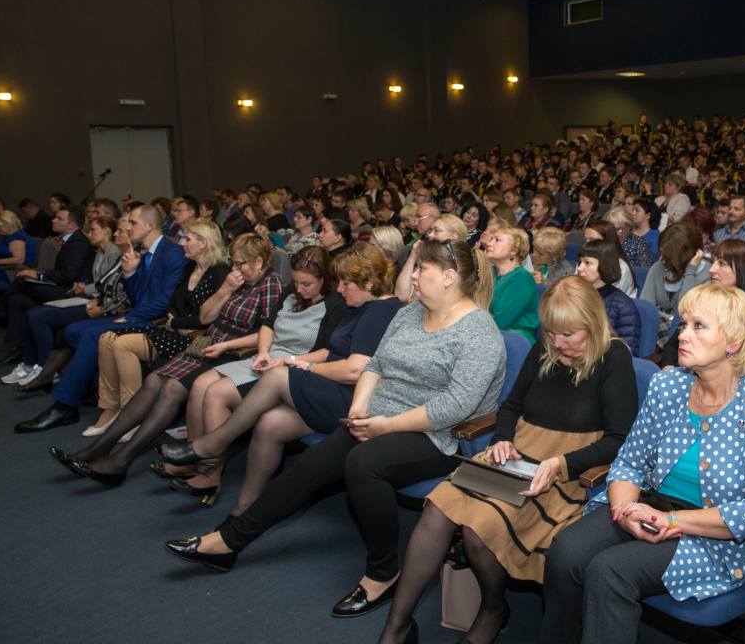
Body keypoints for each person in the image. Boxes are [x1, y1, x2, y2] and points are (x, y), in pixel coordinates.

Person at [162, 240, 505, 624]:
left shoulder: (479, 332)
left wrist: (384, 425)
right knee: (310, 464)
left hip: (438, 436)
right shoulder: (412, 314)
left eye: (419, 269)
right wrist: (359, 408)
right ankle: (229, 541)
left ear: (449, 277)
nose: (411, 276)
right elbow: (375, 365)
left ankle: (382, 572)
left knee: (362, 464)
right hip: (376, 420)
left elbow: (454, 407)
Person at [378, 276, 640, 644]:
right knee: (437, 508)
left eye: (569, 335)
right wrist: (502, 440)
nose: (559, 344)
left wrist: (561, 464)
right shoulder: (545, 349)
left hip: (567, 470)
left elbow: (619, 440)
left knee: (477, 529)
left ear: (594, 324)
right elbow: (511, 406)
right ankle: (396, 628)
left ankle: (491, 609)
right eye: (551, 333)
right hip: (517, 456)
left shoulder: (614, 358)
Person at [541, 285, 745, 644]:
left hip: (711, 535)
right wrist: (624, 510)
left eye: (698, 326)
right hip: (647, 506)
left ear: (733, 342)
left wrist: (671, 521)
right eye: (683, 324)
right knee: (565, 550)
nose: (682, 335)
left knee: (609, 571)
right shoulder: (668, 385)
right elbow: (629, 463)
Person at [158, 242, 399, 509]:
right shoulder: (360, 302)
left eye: (345, 283)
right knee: (269, 424)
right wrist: (293, 359)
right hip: (331, 385)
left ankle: (208, 446)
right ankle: (245, 510)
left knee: (275, 376)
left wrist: (304, 367)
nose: (339, 289)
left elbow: (354, 370)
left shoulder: (380, 310)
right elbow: (332, 352)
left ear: (367, 281)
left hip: (352, 400)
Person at [47, 234, 283, 485]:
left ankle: (121, 460)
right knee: (152, 381)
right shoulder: (233, 282)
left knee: (171, 388)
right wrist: (225, 289)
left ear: (258, 262)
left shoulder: (271, 284)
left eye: (240, 264)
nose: (235, 269)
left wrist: (227, 343)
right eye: (233, 263)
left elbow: (268, 332)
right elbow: (205, 317)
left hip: (233, 352)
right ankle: (100, 447)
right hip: (209, 343)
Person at [12, 206, 189, 433]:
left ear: (150, 226)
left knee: (90, 335)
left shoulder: (171, 252)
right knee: (73, 331)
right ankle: (99, 387)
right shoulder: (144, 254)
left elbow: (165, 301)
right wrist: (130, 273)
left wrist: (129, 318)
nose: (126, 227)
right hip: (139, 315)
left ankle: (65, 406)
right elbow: (138, 298)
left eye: (133, 223)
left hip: (155, 321)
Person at [75, 219, 230, 436]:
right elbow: (173, 304)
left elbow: (209, 318)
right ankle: (111, 409)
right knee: (106, 337)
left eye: (187, 239)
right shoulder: (189, 267)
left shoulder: (220, 272)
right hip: (176, 331)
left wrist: (176, 323)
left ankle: (131, 415)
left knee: (122, 345)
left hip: (197, 338)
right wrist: (176, 322)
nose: (182, 243)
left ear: (204, 243)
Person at [3, 217, 124, 392]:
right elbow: (101, 282)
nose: (90, 234)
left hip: (97, 303)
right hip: (90, 297)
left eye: (93, 229)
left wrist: (85, 289)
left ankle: (45, 370)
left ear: (106, 230)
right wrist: (83, 288)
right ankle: (29, 364)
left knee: (37, 316)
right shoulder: (100, 252)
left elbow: (107, 286)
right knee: (31, 312)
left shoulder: (114, 253)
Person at [0, 205, 96, 367]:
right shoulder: (70, 239)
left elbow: (69, 275)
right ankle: (19, 349)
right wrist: (38, 275)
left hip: (72, 294)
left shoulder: (78, 242)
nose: (53, 220)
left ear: (72, 225)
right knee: (17, 300)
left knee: (21, 280)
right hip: (62, 287)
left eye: (59, 218)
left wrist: (39, 275)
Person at [661, 239, 745, 378]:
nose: (711, 269)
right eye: (714, 261)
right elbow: (673, 346)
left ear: (743, 270)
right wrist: (669, 373)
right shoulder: (703, 303)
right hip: (689, 380)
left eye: (721, 263)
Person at [639, 221, 710, 348]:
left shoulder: (707, 275)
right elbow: (646, 309)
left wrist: (690, 271)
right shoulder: (658, 267)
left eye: (669, 257)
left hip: (686, 334)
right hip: (654, 330)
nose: (663, 260)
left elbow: (684, 311)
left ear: (685, 255)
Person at [577, 239, 641, 352]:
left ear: (604, 265)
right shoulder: (574, 295)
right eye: (580, 262)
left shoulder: (624, 306)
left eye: (587, 263)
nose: (579, 268)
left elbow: (627, 353)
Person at [486, 226, 540, 343]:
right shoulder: (490, 273)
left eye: (497, 240)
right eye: (490, 239)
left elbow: (500, 321)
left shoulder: (521, 278)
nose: (489, 243)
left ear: (514, 250)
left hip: (514, 343)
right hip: (491, 337)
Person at [584, 220, 638, 297]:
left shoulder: (620, 268)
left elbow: (610, 301)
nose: (587, 245)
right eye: (585, 240)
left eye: (593, 241)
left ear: (607, 242)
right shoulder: (584, 261)